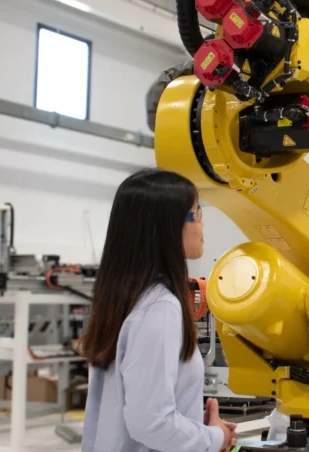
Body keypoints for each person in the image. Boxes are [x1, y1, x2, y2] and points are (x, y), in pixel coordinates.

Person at [81, 168, 237, 452]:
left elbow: (133, 407)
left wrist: (190, 422)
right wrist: (214, 438)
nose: (202, 225)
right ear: (169, 226)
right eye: (197, 214)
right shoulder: (160, 307)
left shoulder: (124, 299)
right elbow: (151, 423)